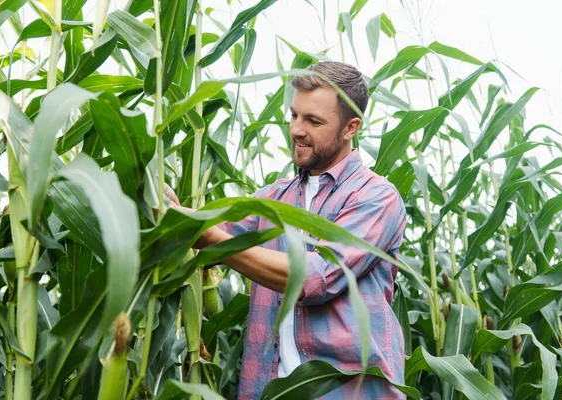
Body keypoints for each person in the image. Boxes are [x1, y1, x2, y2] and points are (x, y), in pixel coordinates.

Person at [166, 61, 407, 399]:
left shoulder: (376, 198)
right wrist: (165, 207)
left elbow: (318, 277)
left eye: (313, 120)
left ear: (350, 127)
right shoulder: (273, 199)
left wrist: (211, 238)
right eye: (294, 115)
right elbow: (204, 233)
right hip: (270, 389)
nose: (296, 129)